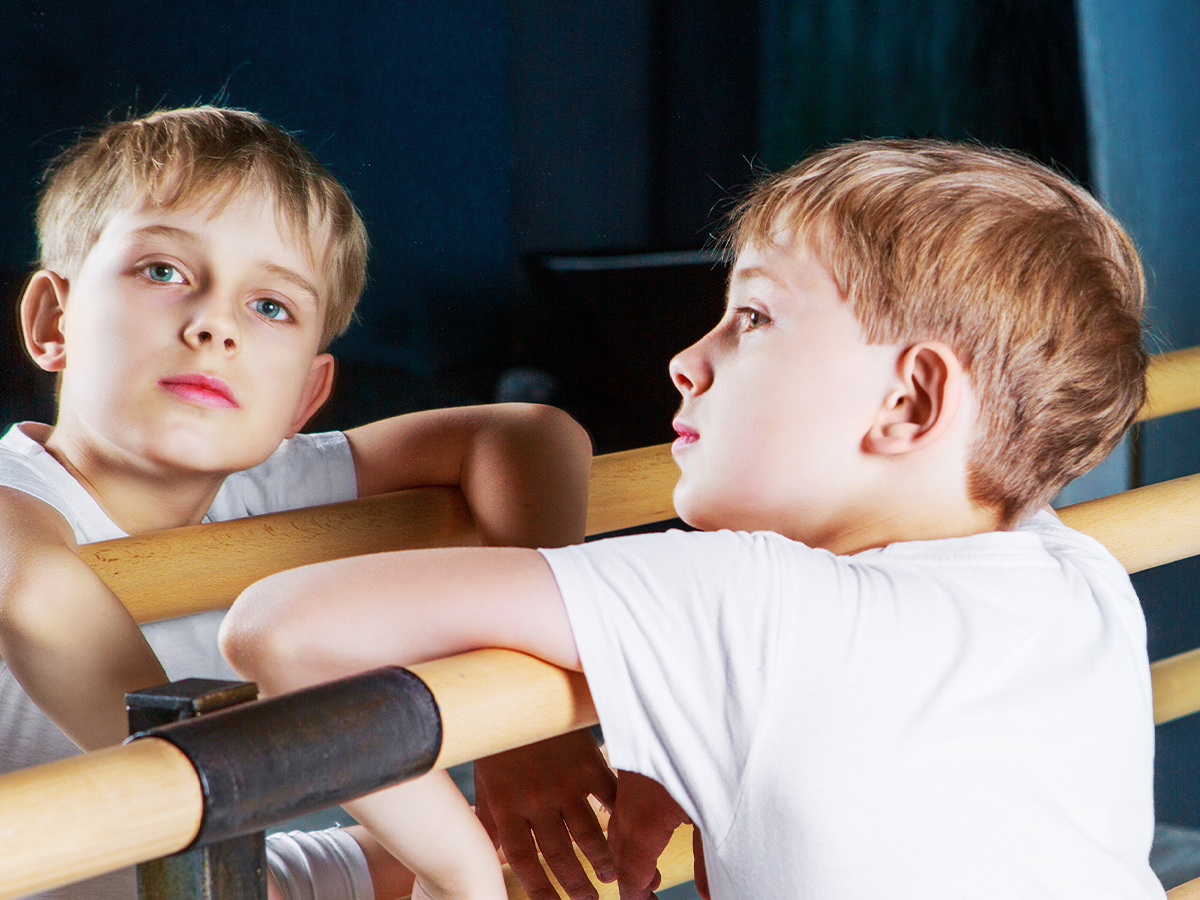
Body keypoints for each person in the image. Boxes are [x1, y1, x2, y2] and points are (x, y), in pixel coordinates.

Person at [221, 139, 1165, 900]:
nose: (687, 357)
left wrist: (469, 867)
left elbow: (281, 627)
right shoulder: (1075, 577)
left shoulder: (752, 596)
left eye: (751, 318)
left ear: (911, 404)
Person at [0, 106, 592, 900]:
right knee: (466, 860)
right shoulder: (18, 499)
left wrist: (529, 737)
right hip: (89, 866)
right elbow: (39, 594)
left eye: (269, 306)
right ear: (52, 321)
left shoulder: (270, 488)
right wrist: (458, 873)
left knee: (539, 859)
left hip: (230, 857)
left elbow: (530, 436)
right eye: (164, 272)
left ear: (306, 395)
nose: (214, 325)